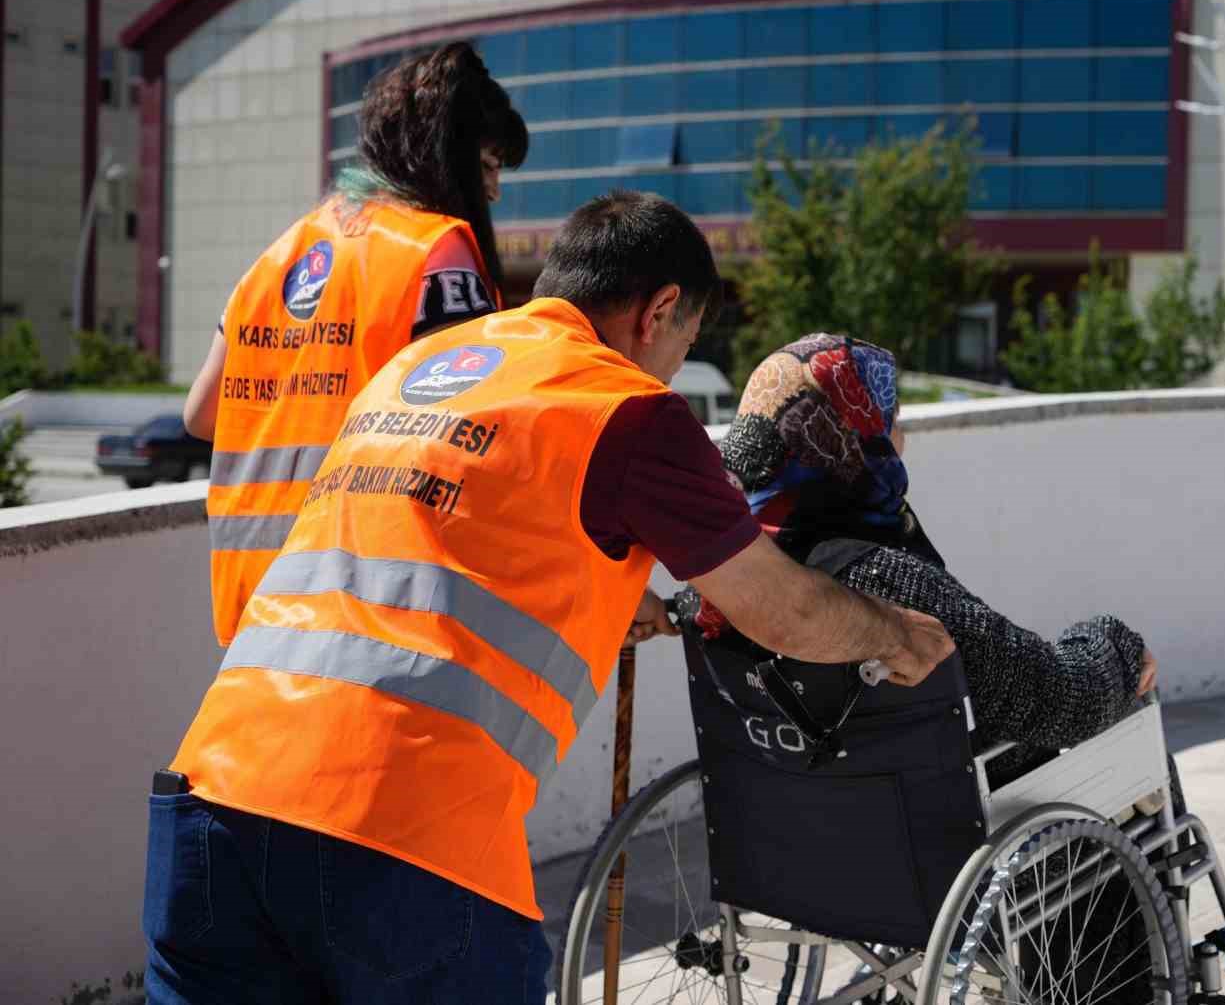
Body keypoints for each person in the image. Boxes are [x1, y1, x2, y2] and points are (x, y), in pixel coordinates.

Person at [143, 193, 955, 1005]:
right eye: (685, 340)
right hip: (401, 843)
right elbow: (783, 611)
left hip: (213, 804)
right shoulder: (627, 410)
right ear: (660, 310)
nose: (675, 362)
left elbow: (433, 539)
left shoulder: (416, 368)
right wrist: (893, 635)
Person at [677, 333, 1163, 1005]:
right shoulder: (886, 582)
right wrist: (1113, 642)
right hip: (925, 853)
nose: (900, 439)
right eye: (892, 422)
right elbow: (1055, 699)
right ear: (855, 440)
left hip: (794, 852)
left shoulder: (721, 585)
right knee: (1121, 730)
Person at [183, 40, 527, 650]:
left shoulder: (280, 253)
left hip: (251, 603)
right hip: (361, 600)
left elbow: (204, 414)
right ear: (450, 156)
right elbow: (471, 438)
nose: (495, 192)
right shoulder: (435, 252)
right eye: (491, 166)